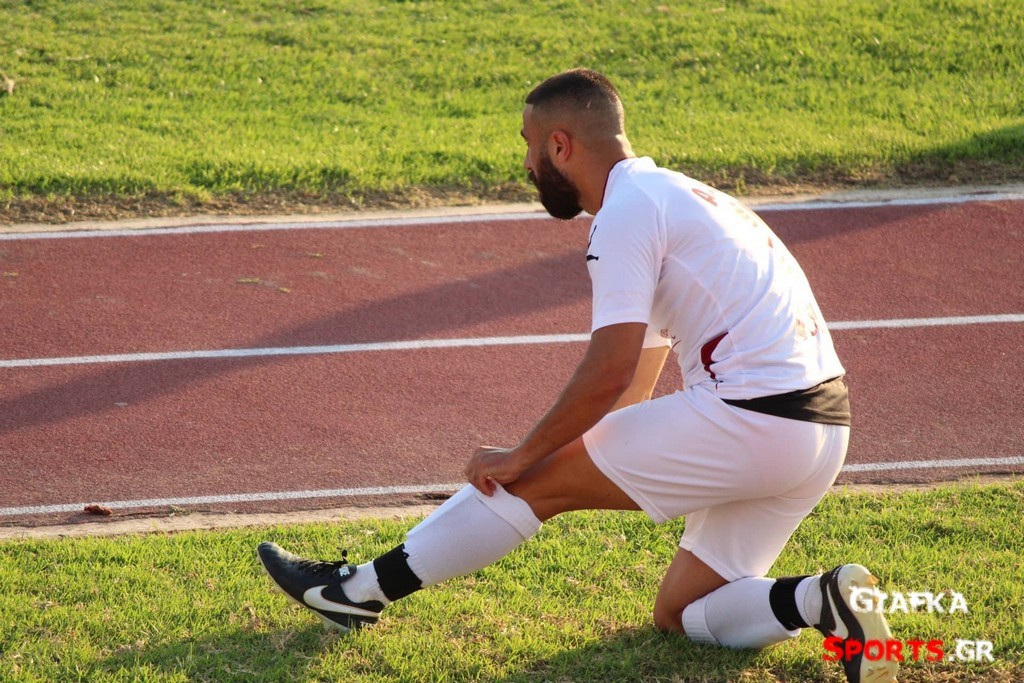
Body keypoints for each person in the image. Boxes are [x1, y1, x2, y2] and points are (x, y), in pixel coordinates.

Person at [258, 68, 897, 683]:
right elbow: (635, 382)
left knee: (531, 480)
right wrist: (584, 450)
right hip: (821, 433)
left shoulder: (624, 213)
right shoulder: (682, 196)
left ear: (560, 145)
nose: (526, 164)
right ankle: (821, 600)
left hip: (751, 420)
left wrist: (524, 456)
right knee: (681, 615)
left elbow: (609, 370)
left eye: (530, 146)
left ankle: (356, 592)